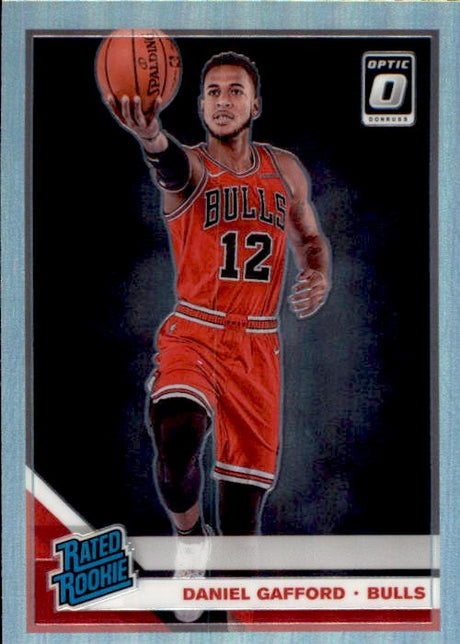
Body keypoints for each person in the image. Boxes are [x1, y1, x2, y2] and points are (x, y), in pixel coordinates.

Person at [107, 51, 330, 620]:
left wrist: (318, 272)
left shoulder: (285, 170)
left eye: (235, 91)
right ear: (200, 104)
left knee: (241, 520)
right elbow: (170, 168)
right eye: (211, 92)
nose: (222, 101)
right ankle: (189, 540)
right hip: (196, 331)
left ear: (256, 105)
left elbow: (309, 238)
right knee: (179, 432)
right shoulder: (193, 166)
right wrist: (151, 138)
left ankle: (230, 613)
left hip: (258, 344)